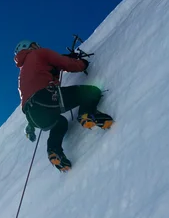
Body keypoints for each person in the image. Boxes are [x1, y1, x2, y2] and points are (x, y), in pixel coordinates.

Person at [14, 39, 113, 172]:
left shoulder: (22, 74)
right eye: (35, 45)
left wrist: (31, 127)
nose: (38, 46)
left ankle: (54, 150)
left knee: (60, 123)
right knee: (91, 92)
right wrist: (82, 64)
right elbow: (63, 63)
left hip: (33, 116)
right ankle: (87, 113)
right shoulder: (39, 53)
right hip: (46, 97)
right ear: (29, 47)